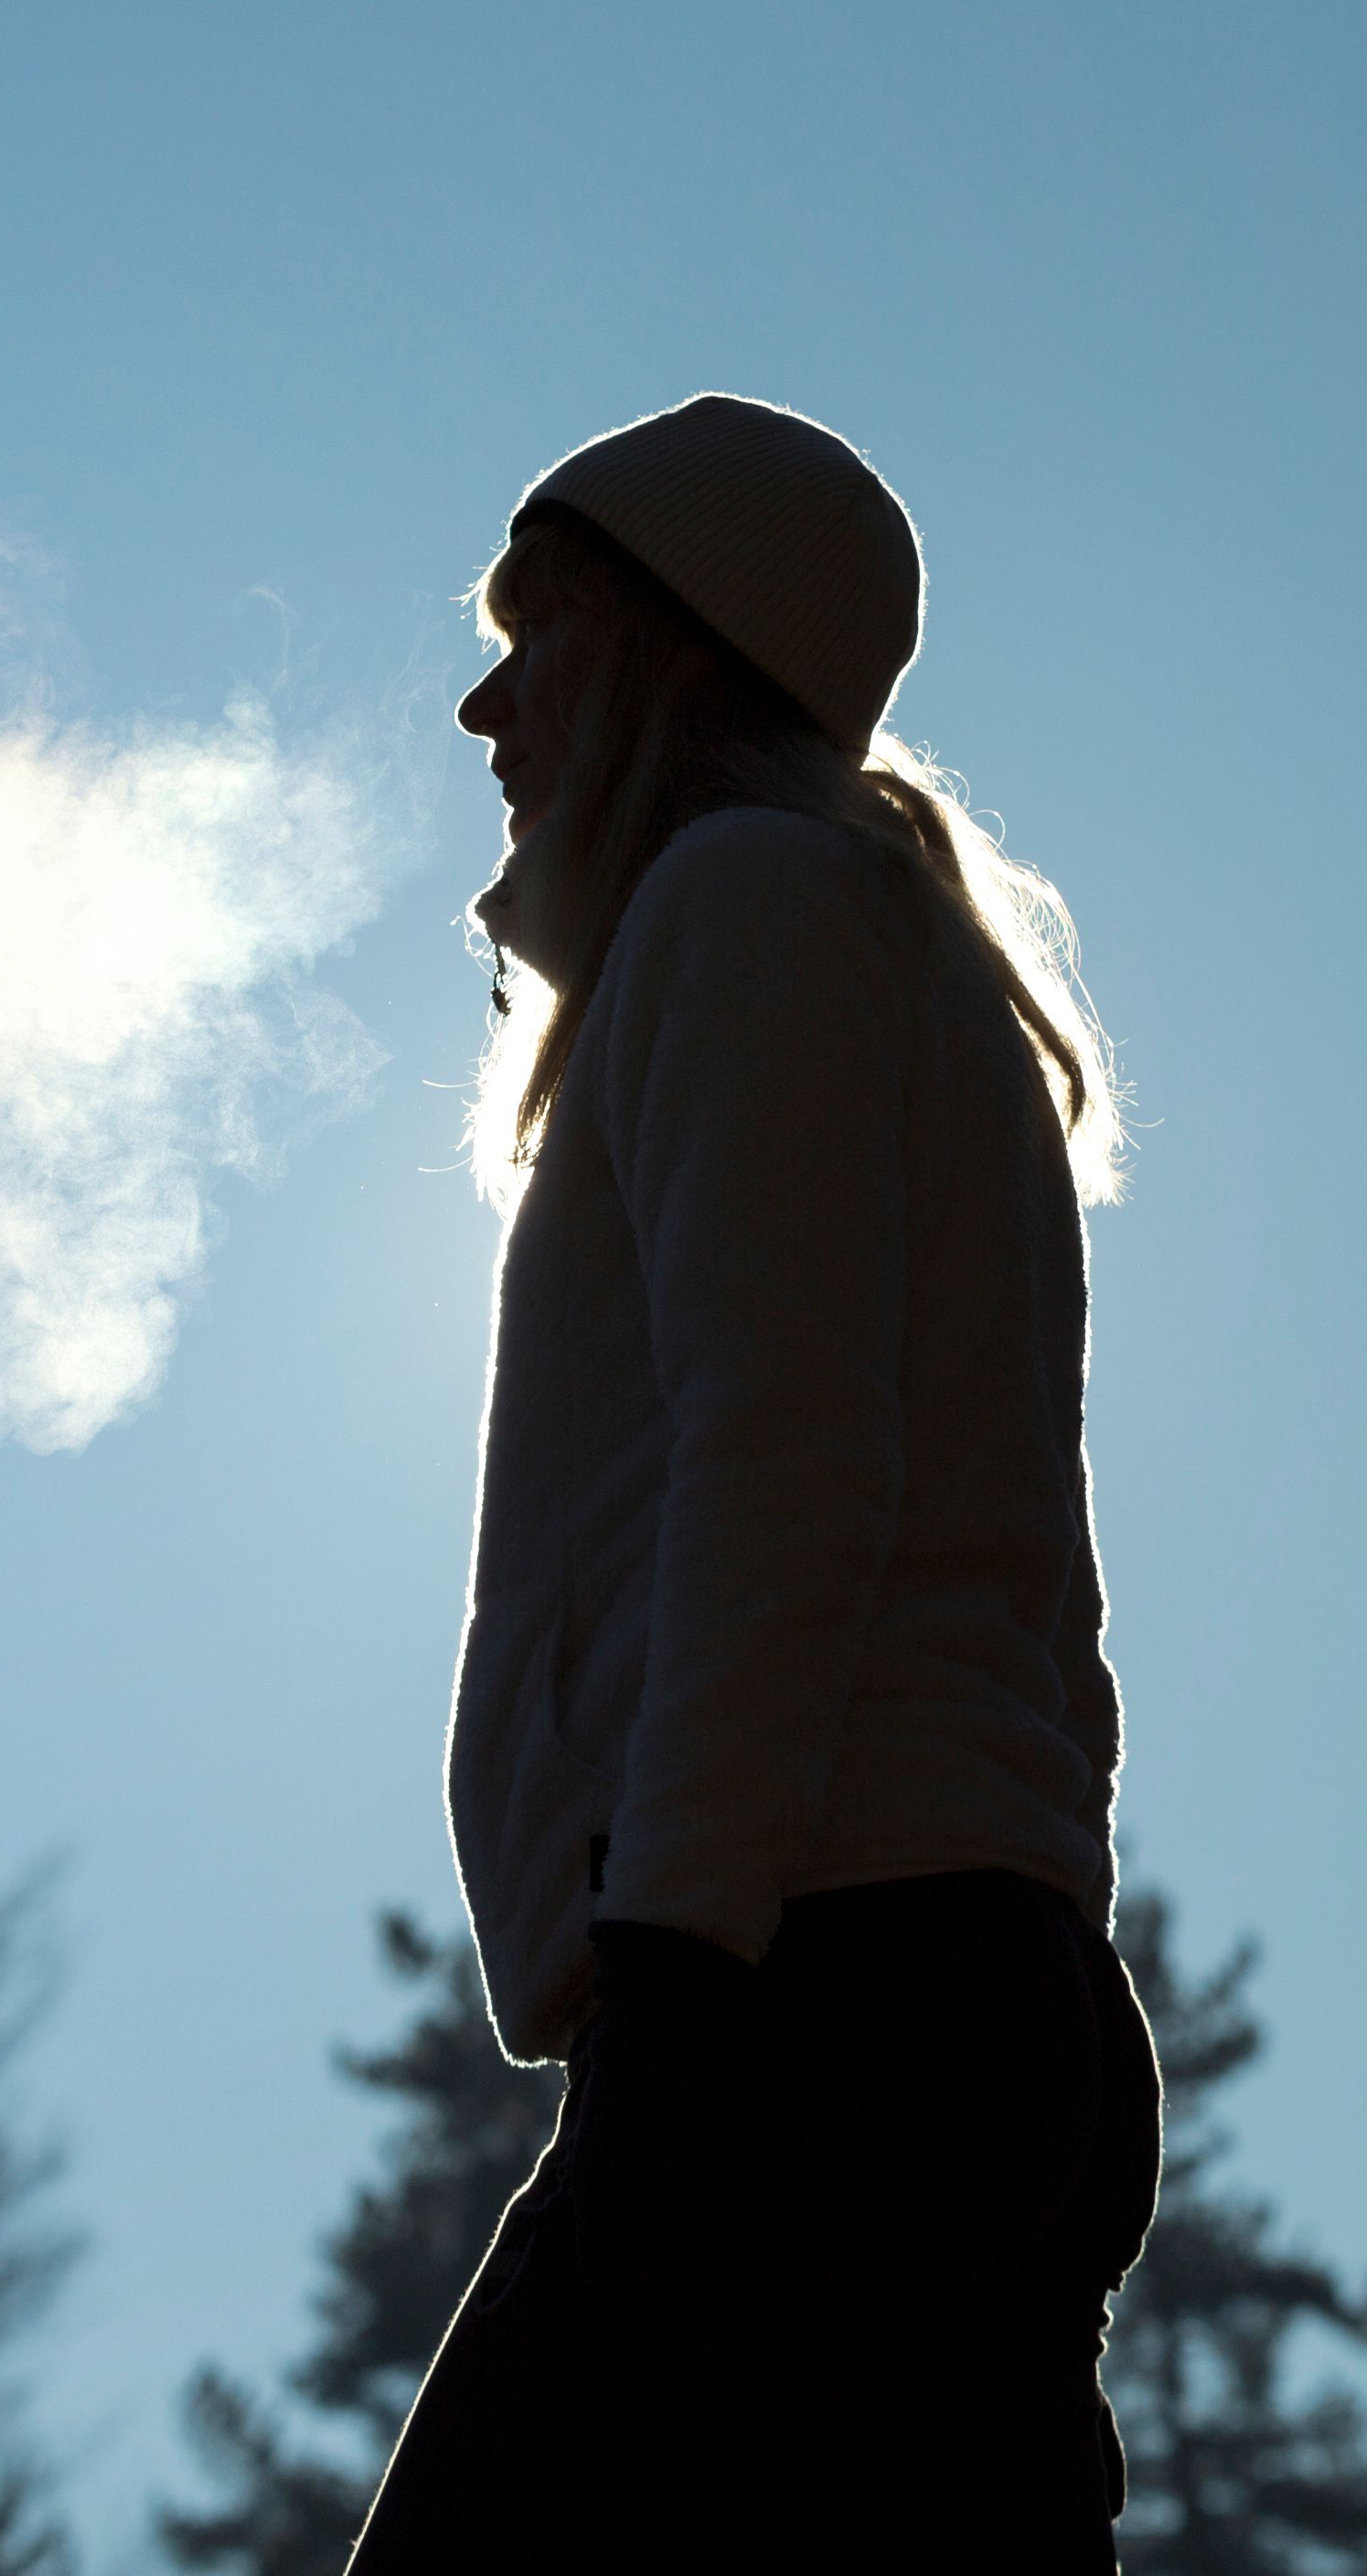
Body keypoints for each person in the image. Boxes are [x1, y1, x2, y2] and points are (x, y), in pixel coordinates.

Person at [349, 396, 1163, 2571]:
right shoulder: (872, 950)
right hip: (938, 1998)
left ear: (671, 656)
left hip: (811, 2005)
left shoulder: (744, 909)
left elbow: (783, 1452)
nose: (484, 703)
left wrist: (684, 1964)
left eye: (546, 637)